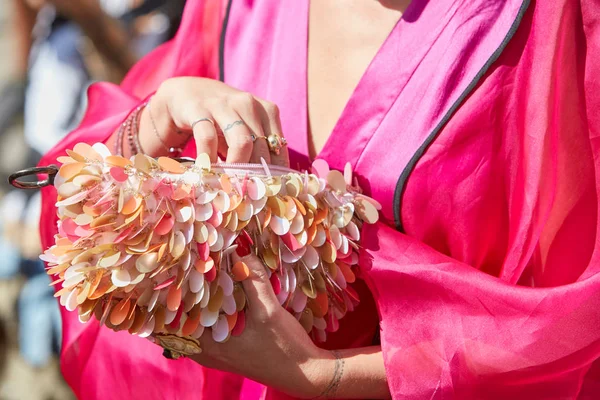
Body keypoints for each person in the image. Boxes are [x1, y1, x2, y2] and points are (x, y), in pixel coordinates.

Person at [37, 0, 600, 398]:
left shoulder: (559, 23)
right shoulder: (238, 7)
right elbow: (88, 201)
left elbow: (577, 328)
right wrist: (151, 125)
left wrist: (324, 376)